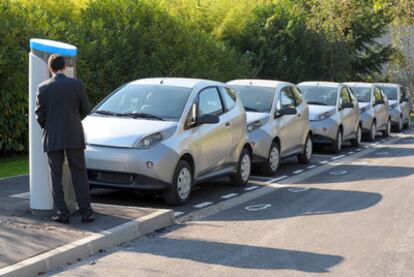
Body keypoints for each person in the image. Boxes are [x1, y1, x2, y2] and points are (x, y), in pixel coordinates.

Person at [35, 54, 94, 224]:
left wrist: (51, 126)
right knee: (79, 174)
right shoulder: (77, 85)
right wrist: (73, 122)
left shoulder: (43, 88)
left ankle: (62, 213)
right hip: (74, 134)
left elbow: (39, 115)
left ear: (50, 68)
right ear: (64, 67)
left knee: (56, 176)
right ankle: (86, 213)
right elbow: (85, 110)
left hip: (53, 136)